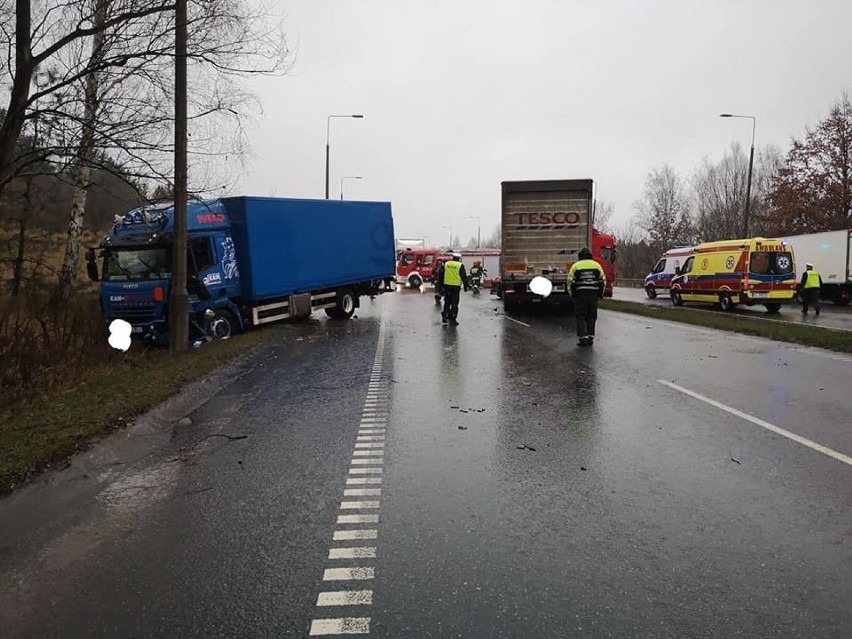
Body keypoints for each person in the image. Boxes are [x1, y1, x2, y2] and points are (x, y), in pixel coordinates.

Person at [567, 247, 606, 346]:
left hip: (580, 295)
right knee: (591, 316)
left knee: (580, 316)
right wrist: (600, 294)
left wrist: (572, 294)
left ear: (580, 256)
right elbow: (603, 281)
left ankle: (582, 338)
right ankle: (590, 337)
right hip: (593, 295)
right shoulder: (597, 266)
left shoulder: (576, 266)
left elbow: (570, 281)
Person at [441, 253, 468, 325]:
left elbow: (441, 275)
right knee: (454, 303)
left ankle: (444, 316)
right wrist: (466, 286)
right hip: (455, 287)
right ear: (459, 258)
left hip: (447, 286)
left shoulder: (446, 264)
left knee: (447, 302)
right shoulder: (460, 265)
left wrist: (441, 286)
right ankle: (453, 318)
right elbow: (464, 276)